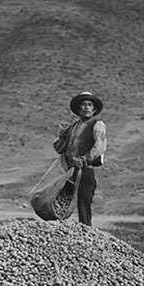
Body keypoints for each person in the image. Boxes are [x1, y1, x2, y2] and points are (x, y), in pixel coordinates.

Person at [52, 91, 107, 226]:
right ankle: (59, 228)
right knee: (60, 199)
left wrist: (85, 158)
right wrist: (62, 136)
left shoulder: (97, 125)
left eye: (89, 105)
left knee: (84, 200)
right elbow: (59, 147)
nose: (86, 107)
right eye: (83, 105)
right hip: (69, 170)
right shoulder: (73, 127)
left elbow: (100, 146)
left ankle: (86, 230)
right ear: (78, 109)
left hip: (85, 169)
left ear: (94, 109)